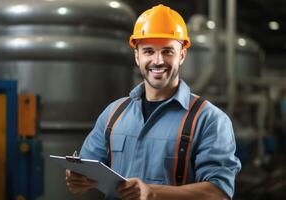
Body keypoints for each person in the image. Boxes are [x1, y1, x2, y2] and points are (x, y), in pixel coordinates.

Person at [65, 4, 241, 200]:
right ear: (137, 56)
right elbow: (88, 170)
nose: (158, 61)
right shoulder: (113, 114)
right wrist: (78, 179)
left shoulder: (209, 120)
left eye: (167, 51)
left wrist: (152, 192)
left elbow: (219, 193)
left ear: (181, 55)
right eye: (148, 51)